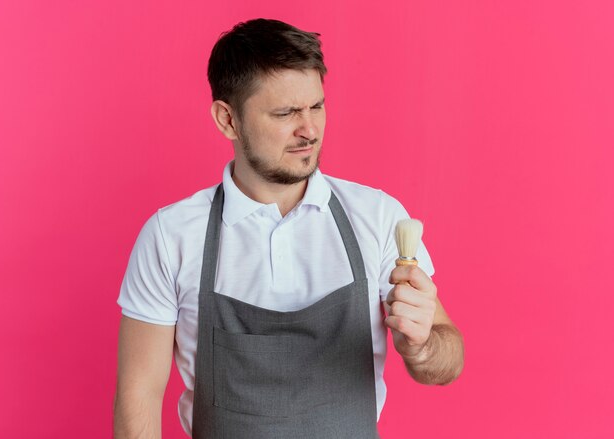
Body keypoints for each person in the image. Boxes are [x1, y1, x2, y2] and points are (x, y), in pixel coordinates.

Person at [113, 18, 464, 439]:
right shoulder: (171, 237)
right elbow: (140, 396)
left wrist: (423, 345)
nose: (310, 130)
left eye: (316, 106)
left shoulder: (378, 217)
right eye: (286, 113)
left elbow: (446, 363)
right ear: (228, 119)